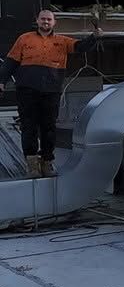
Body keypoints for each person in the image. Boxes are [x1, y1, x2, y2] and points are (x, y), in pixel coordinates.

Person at [0, 10, 101, 178]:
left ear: (54, 23)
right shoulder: (24, 38)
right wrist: (1, 81)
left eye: (49, 19)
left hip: (51, 91)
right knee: (28, 127)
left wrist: (94, 37)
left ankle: (47, 163)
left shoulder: (62, 41)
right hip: (27, 90)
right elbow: (10, 62)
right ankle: (32, 166)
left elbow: (80, 47)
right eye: (43, 19)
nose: (46, 22)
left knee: (49, 128)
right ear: (37, 21)